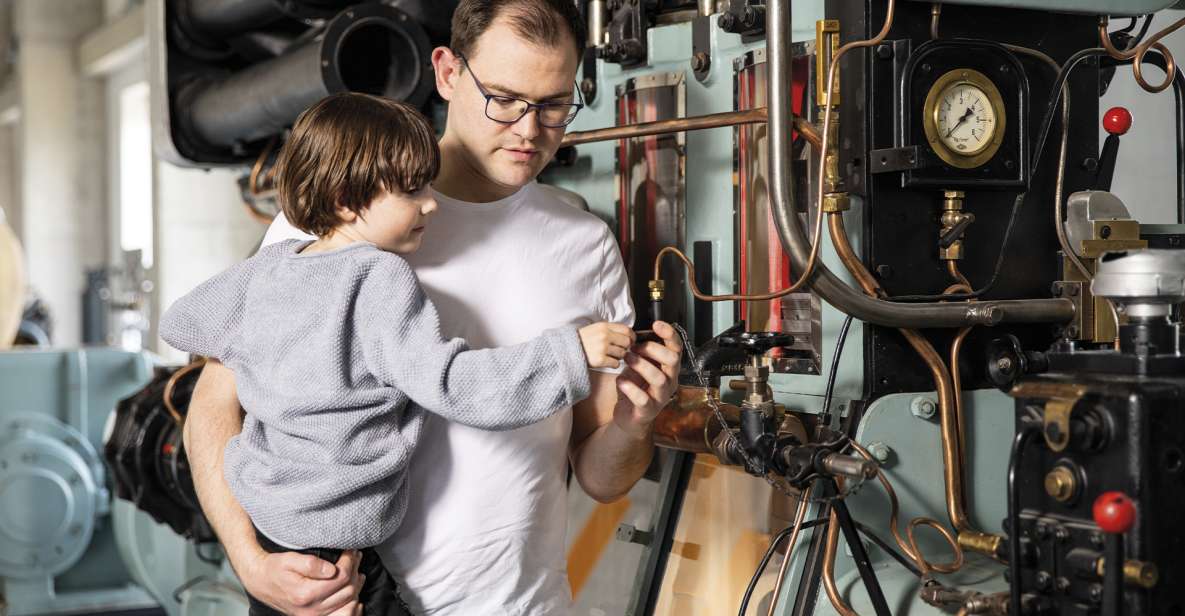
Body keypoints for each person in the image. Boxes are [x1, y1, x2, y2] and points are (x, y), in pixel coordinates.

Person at [181, 1, 684, 614]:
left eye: (553, 105)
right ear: (446, 72)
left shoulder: (583, 241)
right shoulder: (338, 223)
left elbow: (602, 477)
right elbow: (213, 407)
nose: (529, 129)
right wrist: (252, 561)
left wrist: (637, 421)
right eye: (504, 98)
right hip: (350, 597)